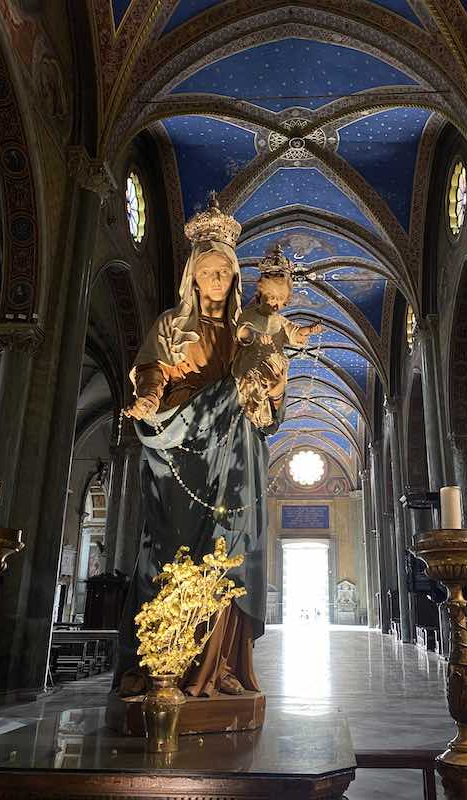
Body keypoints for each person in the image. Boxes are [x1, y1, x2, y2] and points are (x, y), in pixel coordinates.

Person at [113, 195, 284, 698]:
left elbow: (270, 398)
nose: (216, 280)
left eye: (224, 274)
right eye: (207, 271)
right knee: (171, 549)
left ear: (233, 280)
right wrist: (147, 396)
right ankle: (160, 660)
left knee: (229, 549)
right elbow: (150, 369)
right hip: (183, 442)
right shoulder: (171, 324)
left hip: (235, 448)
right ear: (192, 275)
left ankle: (221, 666)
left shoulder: (246, 331)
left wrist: (271, 389)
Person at [232, 244, 322, 428]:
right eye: (271, 297)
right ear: (260, 294)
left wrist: (309, 330)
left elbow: (294, 332)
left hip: (274, 363)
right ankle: (254, 405)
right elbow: (241, 331)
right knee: (252, 385)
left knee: (274, 382)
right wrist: (255, 336)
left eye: (280, 300)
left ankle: (266, 412)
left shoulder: (280, 321)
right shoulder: (250, 314)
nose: (275, 304)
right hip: (252, 361)